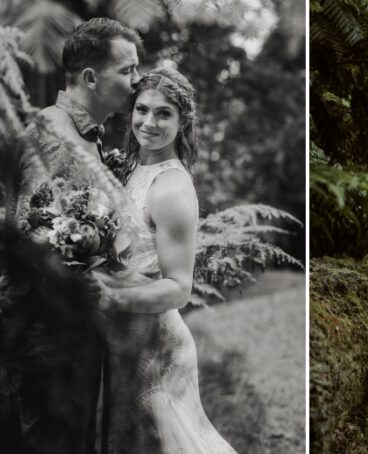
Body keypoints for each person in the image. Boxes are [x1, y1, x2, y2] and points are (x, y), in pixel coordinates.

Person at [12, 17, 142, 454]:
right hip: (50, 329)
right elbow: (31, 226)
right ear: (90, 77)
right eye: (127, 71)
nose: (136, 81)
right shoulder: (52, 130)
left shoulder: (93, 137)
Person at [93, 68, 235, 453]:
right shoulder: (127, 168)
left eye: (163, 114)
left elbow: (178, 289)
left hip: (154, 348)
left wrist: (108, 298)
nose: (148, 122)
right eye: (142, 109)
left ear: (183, 120)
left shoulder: (171, 189)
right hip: (120, 339)